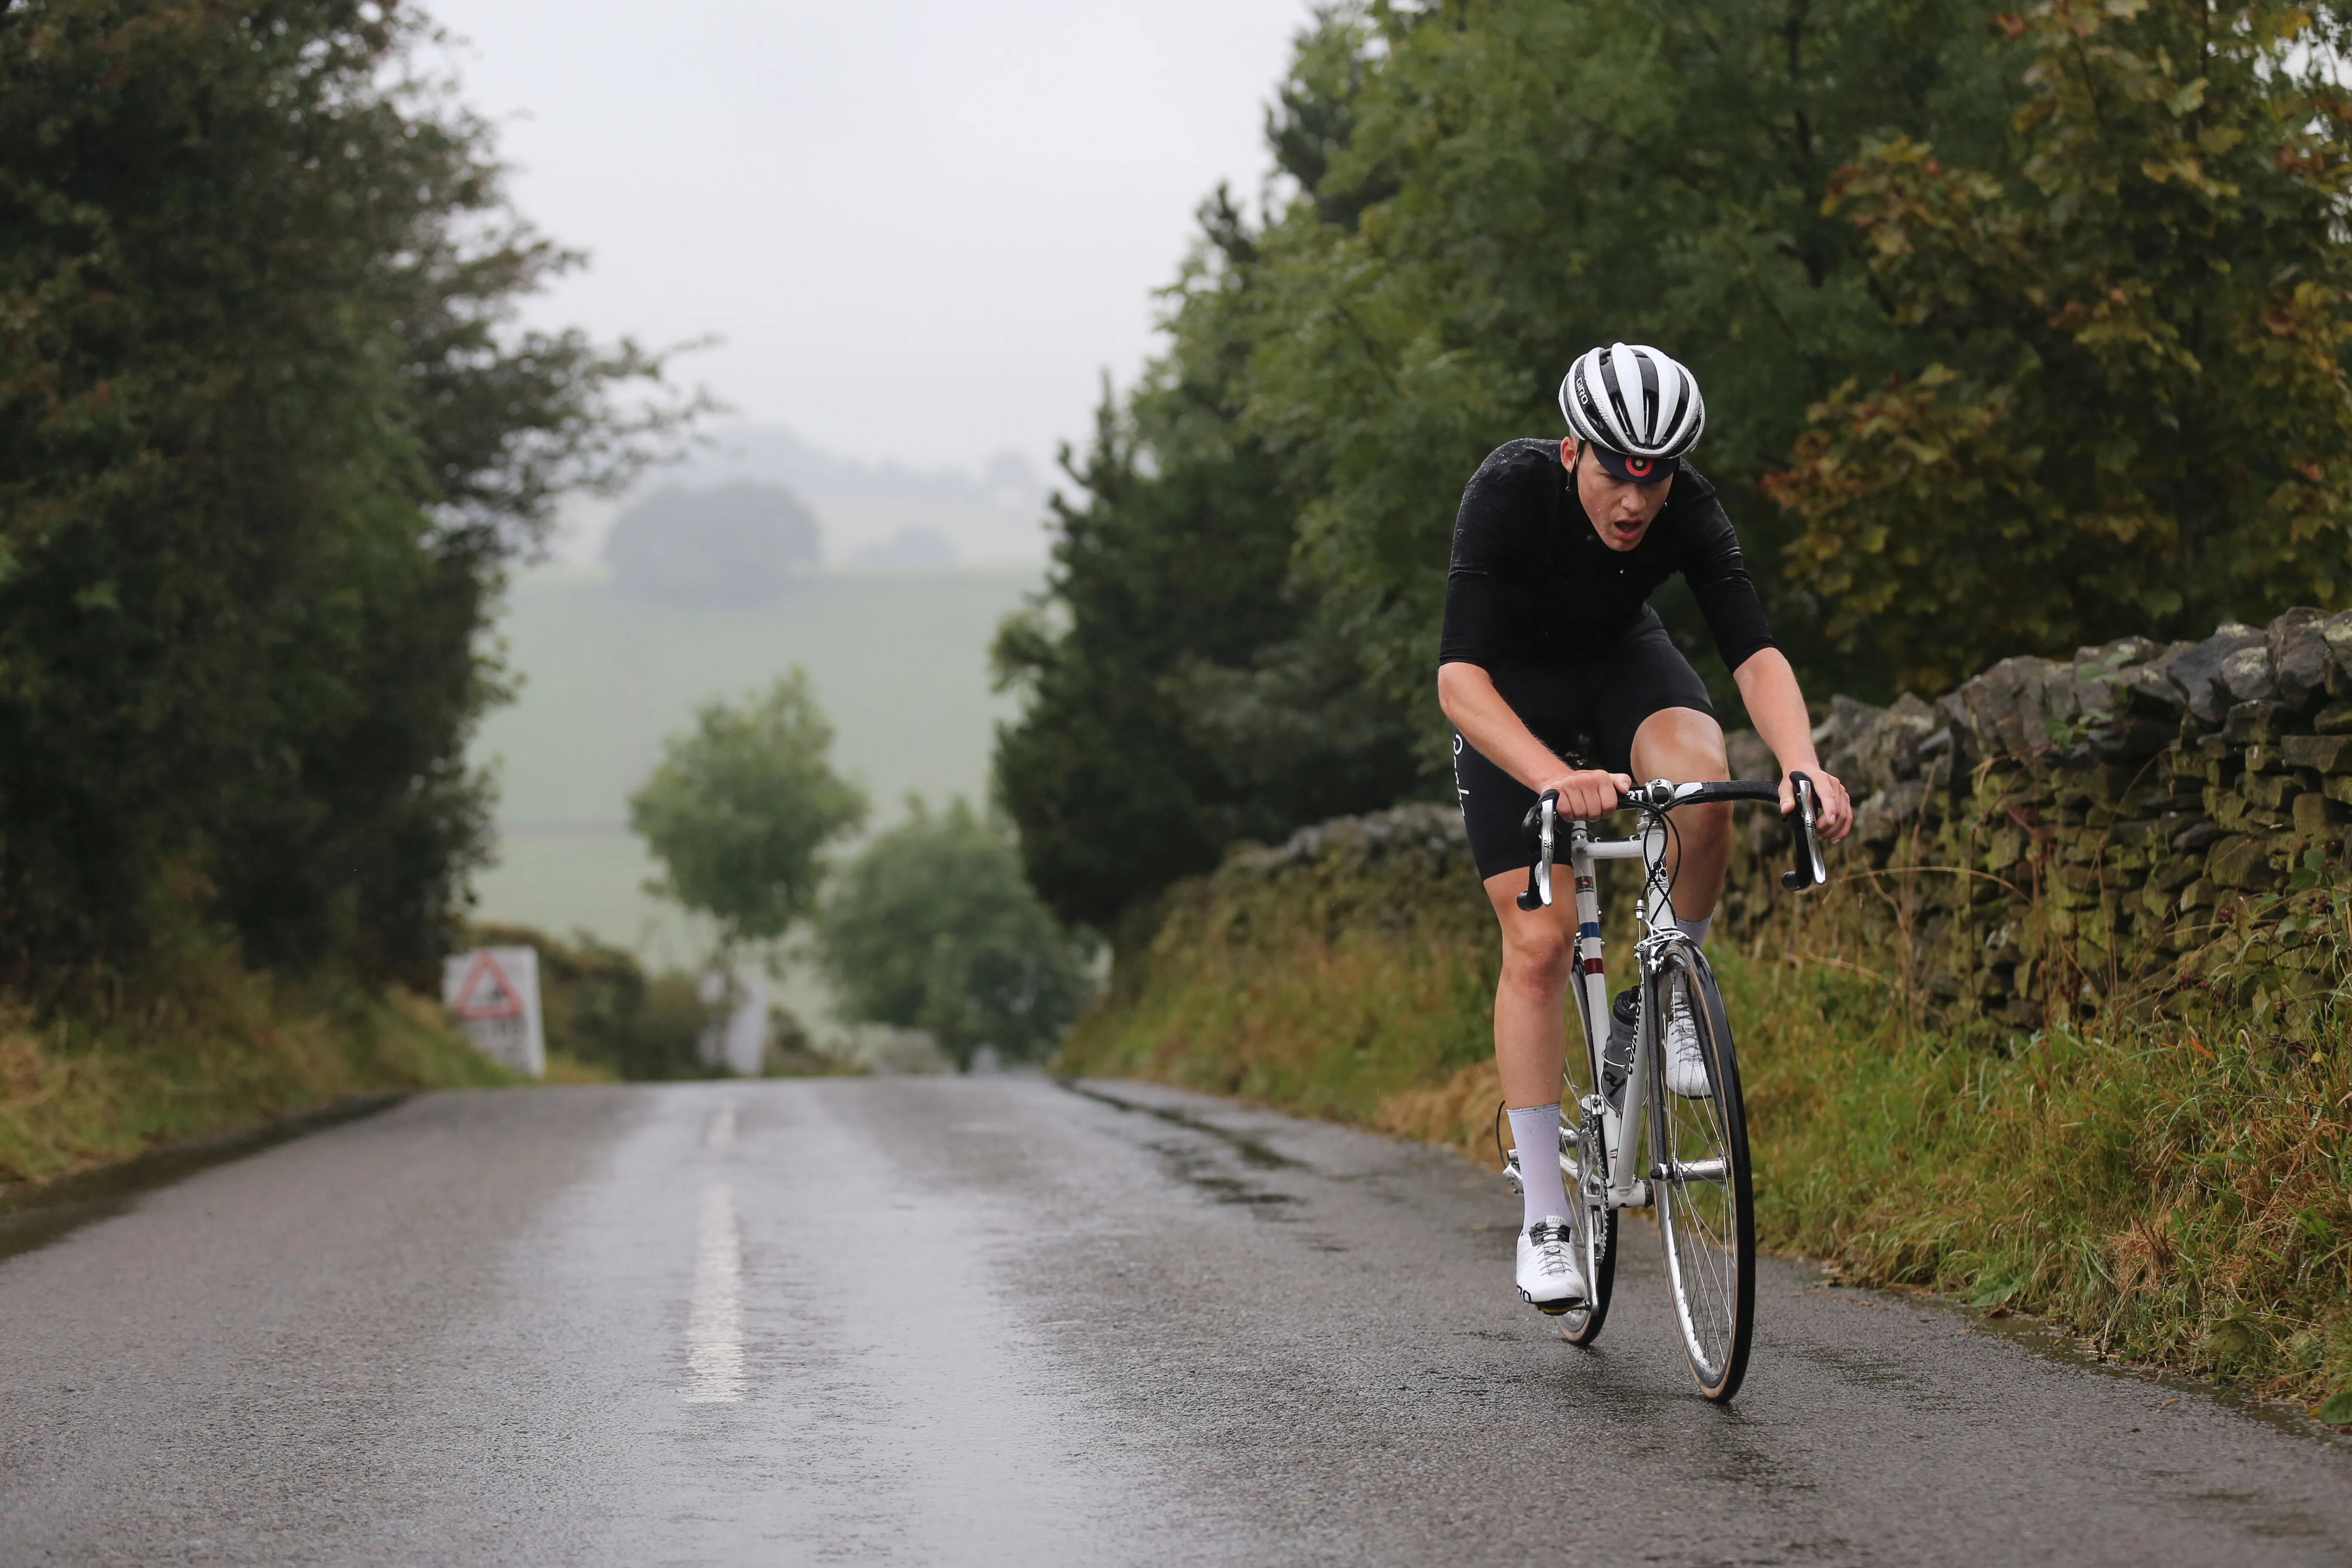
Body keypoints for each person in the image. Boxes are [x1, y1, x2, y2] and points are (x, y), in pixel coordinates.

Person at [1434, 342, 1854, 1314]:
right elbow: (1458, 680)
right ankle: (1546, 1210)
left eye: (1656, 476)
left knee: (1702, 790)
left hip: (1624, 666)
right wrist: (1552, 776)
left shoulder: (1688, 509)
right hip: (1512, 704)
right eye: (1621, 472)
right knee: (1539, 943)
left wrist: (1801, 762)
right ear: (1577, 450)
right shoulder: (1508, 490)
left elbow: (1753, 650)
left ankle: (1666, 992)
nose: (1637, 500)